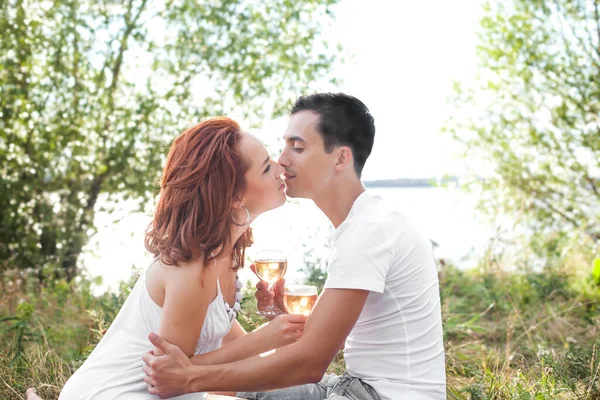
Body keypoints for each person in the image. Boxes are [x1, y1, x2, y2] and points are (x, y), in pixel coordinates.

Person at [142, 93, 447, 400]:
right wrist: (284, 317)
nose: (282, 159)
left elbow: (311, 362)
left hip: (383, 396)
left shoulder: (368, 231)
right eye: (284, 144)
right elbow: (335, 335)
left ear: (340, 158)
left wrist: (191, 378)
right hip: (354, 385)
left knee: (216, 390)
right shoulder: (364, 224)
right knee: (231, 390)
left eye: (298, 147)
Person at [51, 117, 307, 400]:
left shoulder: (223, 255)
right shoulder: (192, 268)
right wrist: (264, 339)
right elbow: (167, 374)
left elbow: (226, 355)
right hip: (118, 392)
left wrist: (275, 323)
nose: (279, 169)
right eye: (267, 167)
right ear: (234, 196)